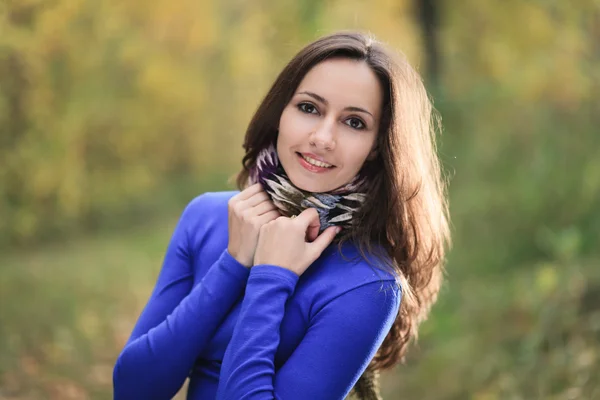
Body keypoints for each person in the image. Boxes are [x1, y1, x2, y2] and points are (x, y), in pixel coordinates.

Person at [113, 31, 450, 400]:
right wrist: (233, 264)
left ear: (376, 147)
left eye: (354, 122)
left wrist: (271, 277)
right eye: (309, 108)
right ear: (280, 115)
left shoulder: (368, 283)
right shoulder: (207, 216)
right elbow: (133, 389)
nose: (323, 137)